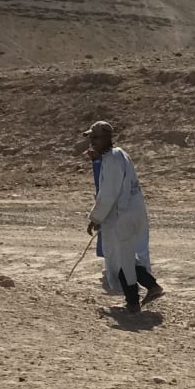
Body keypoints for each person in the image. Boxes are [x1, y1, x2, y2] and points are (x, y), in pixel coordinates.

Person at [83, 121, 162, 313]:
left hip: (122, 216)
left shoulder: (111, 160)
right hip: (134, 212)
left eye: (95, 138)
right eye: (91, 138)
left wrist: (95, 218)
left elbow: (108, 193)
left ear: (106, 138)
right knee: (126, 259)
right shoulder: (120, 154)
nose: (92, 142)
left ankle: (136, 300)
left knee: (120, 261)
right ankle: (148, 289)